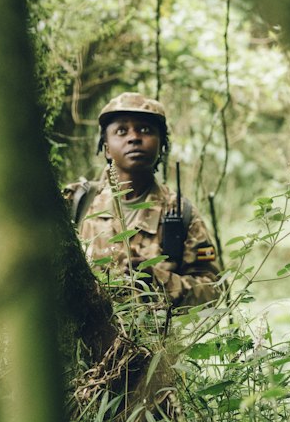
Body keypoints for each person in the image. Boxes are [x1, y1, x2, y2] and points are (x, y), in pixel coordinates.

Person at [66, 92, 220, 308]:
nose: (134, 137)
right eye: (121, 131)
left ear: (161, 145)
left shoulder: (180, 212)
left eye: (145, 130)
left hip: (155, 340)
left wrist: (158, 280)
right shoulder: (77, 202)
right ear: (107, 147)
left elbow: (214, 290)